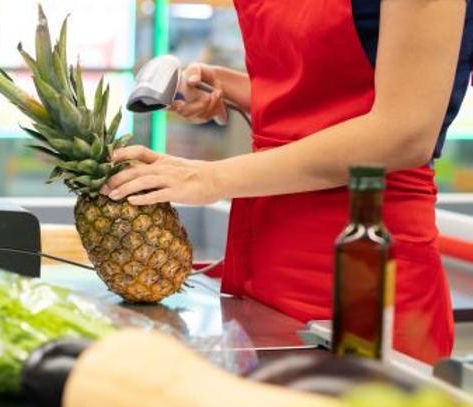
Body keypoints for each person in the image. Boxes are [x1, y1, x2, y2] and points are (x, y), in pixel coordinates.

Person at [104, 0, 472, 364]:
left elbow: (403, 134)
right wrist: (244, 91)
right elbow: (331, 103)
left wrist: (209, 177)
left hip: (363, 270)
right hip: (264, 259)